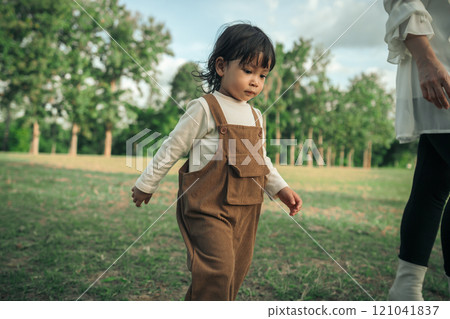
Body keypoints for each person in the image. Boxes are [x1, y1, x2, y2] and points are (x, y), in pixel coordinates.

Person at [131, 23, 302, 301]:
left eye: (263, 75)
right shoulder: (205, 107)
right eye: (248, 71)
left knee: (232, 274)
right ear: (221, 66)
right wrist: (146, 184)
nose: (256, 81)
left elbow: (262, 161)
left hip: (247, 208)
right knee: (217, 271)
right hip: (207, 206)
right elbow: (172, 148)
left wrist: (280, 189)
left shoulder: (257, 116)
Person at [384, 0, 450, 301]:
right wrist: (425, 59)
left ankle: (406, 288)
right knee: (434, 184)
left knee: (433, 184)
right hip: (439, 63)